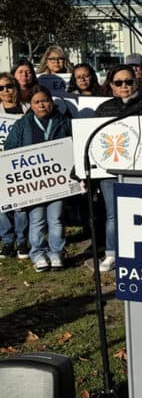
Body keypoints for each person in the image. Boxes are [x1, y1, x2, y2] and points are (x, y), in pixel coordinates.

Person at [94, 64, 142, 273]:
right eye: (118, 82)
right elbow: (92, 138)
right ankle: (112, 253)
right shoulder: (103, 109)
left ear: (136, 82)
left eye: (128, 81)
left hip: (141, 169)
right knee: (113, 214)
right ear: (111, 85)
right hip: (110, 171)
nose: (124, 86)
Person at [4, 85, 72, 272]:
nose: (41, 105)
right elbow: (9, 149)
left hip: (58, 181)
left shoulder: (64, 122)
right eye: (37, 102)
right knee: (37, 219)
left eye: (45, 101)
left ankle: (57, 252)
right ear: (31, 105)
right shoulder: (22, 124)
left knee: (56, 218)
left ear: (51, 102)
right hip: (34, 184)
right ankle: (38, 253)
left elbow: (73, 146)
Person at [0, 73, 29, 260]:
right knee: (2, 206)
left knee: (20, 206)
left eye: (9, 86)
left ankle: (22, 241)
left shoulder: (27, 109)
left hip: (21, 163)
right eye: (1, 88)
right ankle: (7, 241)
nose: (5, 91)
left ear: (15, 87)